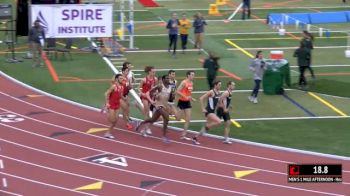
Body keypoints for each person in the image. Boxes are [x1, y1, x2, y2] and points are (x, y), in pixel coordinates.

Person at [136, 75, 172, 143]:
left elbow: (168, 97)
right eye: (167, 78)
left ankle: (140, 123)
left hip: (164, 105)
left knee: (153, 119)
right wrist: (154, 97)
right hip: (158, 105)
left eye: (169, 78)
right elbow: (148, 92)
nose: (168, 79)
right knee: (166, 118)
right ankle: (164, 137)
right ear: (163, 80)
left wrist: (171, 97)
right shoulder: (160, 86)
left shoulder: (170, 87)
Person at [192, 81, 222, 145]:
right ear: (215, 85)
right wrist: (203, 108)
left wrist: (222, 105)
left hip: (213, 111)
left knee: (204, 129)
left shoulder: (219, 93)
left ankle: (195, 137)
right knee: (219, 121)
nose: (220, 86)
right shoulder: (211, 92)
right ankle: (207, 127)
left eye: (220, 85)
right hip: (208, 111)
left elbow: (217, 102)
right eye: (219, 85)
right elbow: (201, 98)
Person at [104, 74, 125, 139]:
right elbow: (106, 94)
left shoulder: (122, 87)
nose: (122, 79)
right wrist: (107, 103)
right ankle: (107, 133)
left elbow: (120, 95)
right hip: (111, 105)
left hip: (117, 105)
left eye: (122, 78)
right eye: (121, 78)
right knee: (112, 120)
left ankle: (108, 133)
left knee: (115, 120)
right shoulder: (113, 86)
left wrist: (125, 99)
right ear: (117, 79)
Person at [177, 70, 196, 140]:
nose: (193, 76)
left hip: (187, 103)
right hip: (181, 102)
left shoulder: (192, 83)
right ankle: (171, 113)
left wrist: (191, 98)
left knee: (188, 119)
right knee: (178, 118)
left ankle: (183, 135)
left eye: (194, 75)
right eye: (192, 75)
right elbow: (177, 91)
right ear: (188, 75)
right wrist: (185, 97)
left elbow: (188, 94)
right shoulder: (184, 82)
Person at [139, 66, 158, 136]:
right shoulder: (144, 80)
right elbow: (139, 88)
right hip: (144, 97)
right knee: (147, 113)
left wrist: (155, 93)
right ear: (149, 72)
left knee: (147, 112)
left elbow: (155, 88)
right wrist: (142, 93)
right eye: (153, 72)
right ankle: (144, 130)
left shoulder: (155, 79)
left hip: (151, 97)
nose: (154, 73)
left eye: (154, 72)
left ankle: (145, 127)